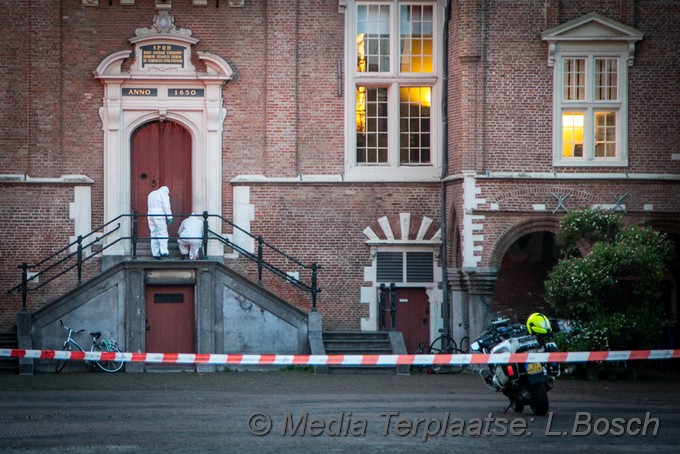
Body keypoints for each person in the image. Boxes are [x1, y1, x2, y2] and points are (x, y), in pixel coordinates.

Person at [147, 186, 173, 259]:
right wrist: (170, 217)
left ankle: (155, 253)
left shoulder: (151, 194)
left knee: (153, 233)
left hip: (150, 214)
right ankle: (164, 251)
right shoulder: (163, 194)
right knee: (162, 232)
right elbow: (166, 206)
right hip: (159, 213)